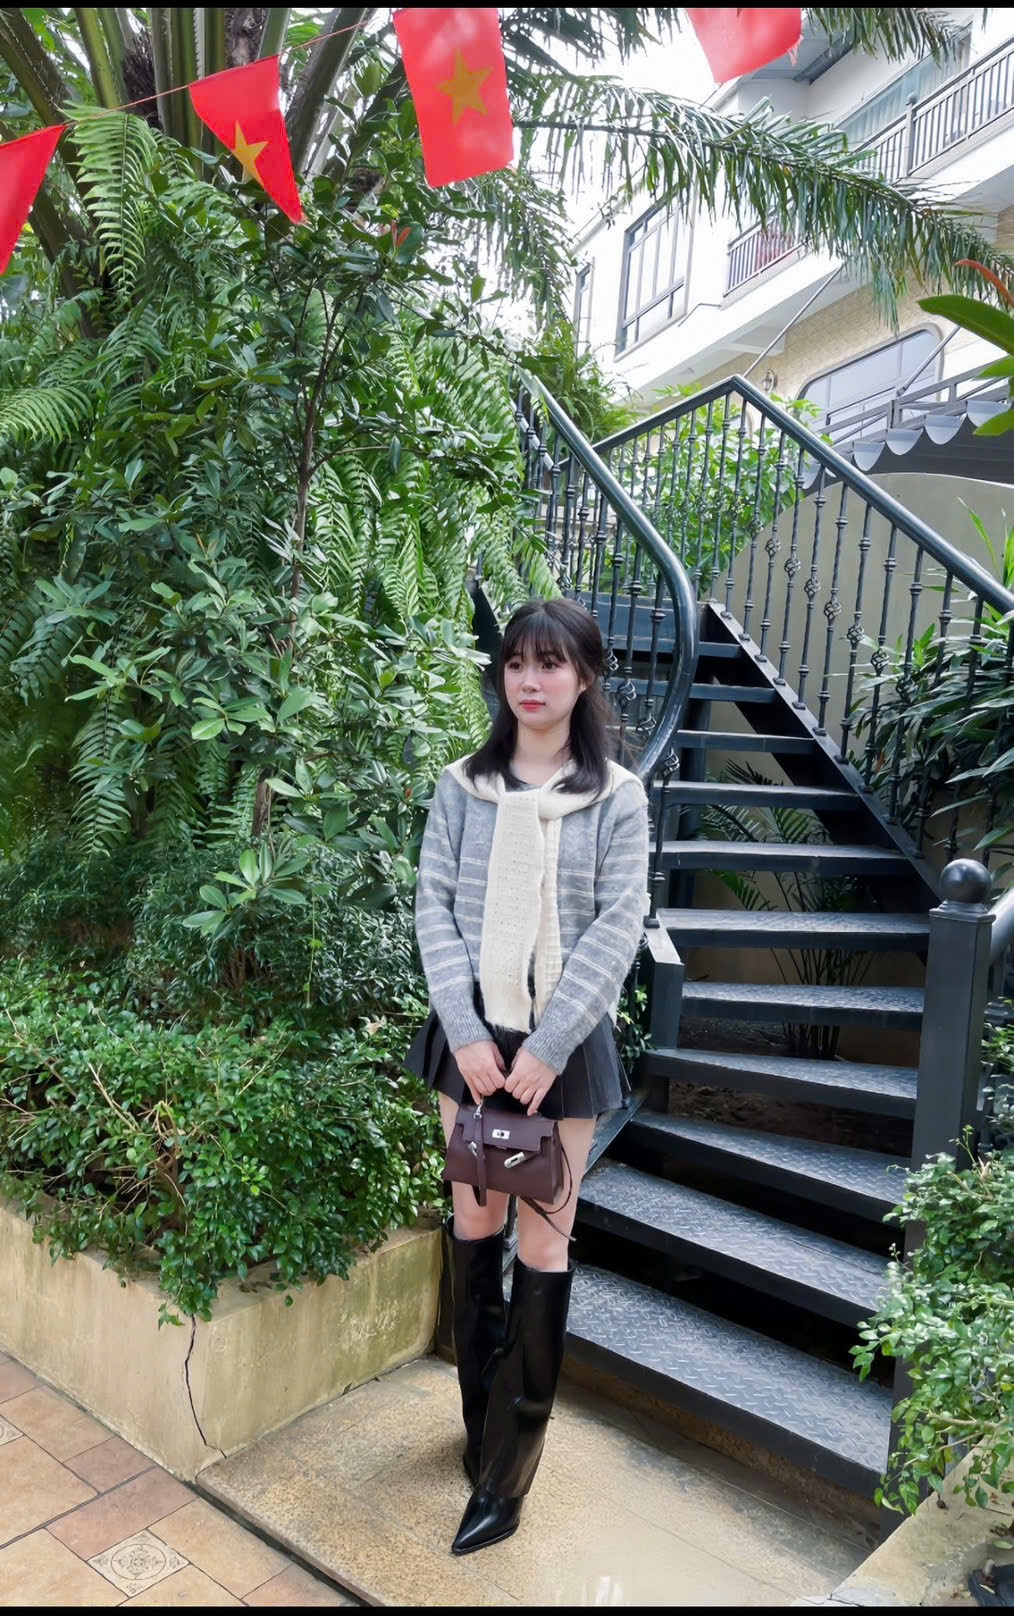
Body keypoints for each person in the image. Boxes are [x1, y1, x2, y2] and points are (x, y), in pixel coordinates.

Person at [406, 595, 650, 1556]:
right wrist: (468, 1037)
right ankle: (481, 1434)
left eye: (551, 664)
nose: (531, 681)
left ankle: (508, 1481)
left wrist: (545, 1048)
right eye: (516, 663)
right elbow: (432, 906)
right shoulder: (462, 786)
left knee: (544, 1245)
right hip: (469, 1045)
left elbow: (618, 926)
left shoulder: (617, 796)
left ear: (584, 677)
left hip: (563, 1052)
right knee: (475, 1229)